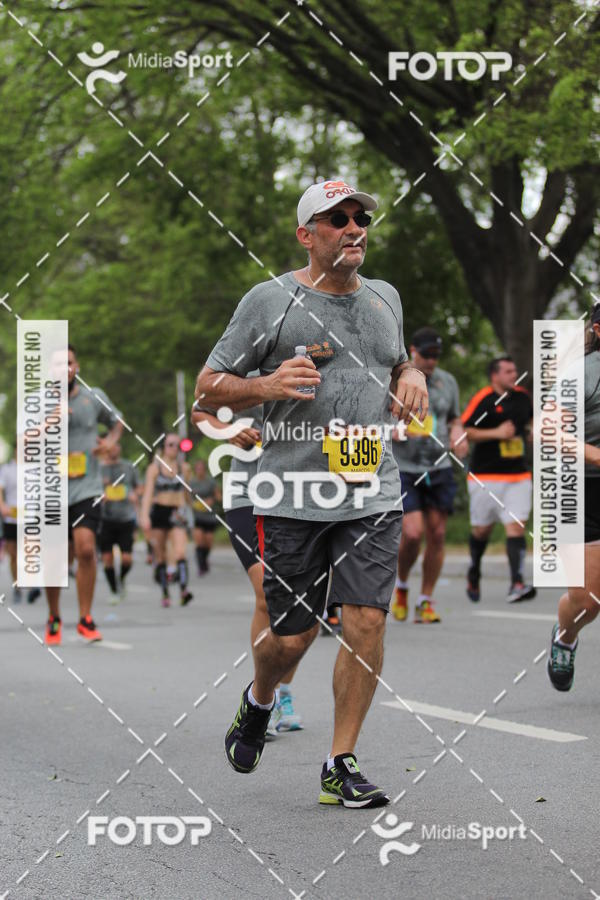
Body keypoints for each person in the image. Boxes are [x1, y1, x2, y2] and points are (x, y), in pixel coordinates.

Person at [195, 179, 428, 808]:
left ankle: (340, 761)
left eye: (360, 218)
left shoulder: (385, 298)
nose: (354, 228)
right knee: (292, 638)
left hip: (371, 491)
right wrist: (266, 386)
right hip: (291, 493)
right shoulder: (269, 301)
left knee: (367, 621)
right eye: (337, 220)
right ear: (307, 234)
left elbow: (397, 359)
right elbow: (209, 387)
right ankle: (259, 700)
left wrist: (411, 377)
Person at [192, 389, 304, 735]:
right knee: (266, 596)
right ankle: (263, 699)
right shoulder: (245, 366)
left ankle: (282, 691)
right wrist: (227, 431)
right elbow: (200, 411)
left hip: (299, 496)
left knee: (293, 605)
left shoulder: (317, 366)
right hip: (246, 495)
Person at [45, 345, 123, 645]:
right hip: (52, 488)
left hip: (87, 486)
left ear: (76, 366)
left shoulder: (94, 397)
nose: (63, 368)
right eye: (57, 364)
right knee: (56, 561)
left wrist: (110, 442)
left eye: (68, 362)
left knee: (86, 548)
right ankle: (54, 616)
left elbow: (118, 422)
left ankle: (85, 618)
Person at [391, 328, 468, 623]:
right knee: (412, 534)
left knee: (437, 533)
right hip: (405, 467)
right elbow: (379, 417)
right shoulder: (397, 379)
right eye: (426, 355)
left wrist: (459, 432)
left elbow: (454, 418)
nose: (432, 361)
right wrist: (394, 429)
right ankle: (402, 586)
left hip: (438, 467)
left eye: (436, 356)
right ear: (413, 351)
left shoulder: (447, 382)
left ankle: (425, 600)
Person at [547, 305, 600, 690]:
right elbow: (548, 431)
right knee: (588, 602)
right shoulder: (581, 372)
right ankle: (565, 637)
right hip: (581, 488)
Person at [461, 356, 536, 604]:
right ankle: (474, 570)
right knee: (482, 530)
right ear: (495, 375)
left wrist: (534, 431)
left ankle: (517, 582)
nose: (514, 374)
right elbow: (465, 431)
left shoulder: (523, 397)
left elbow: (532, 420)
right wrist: (496, 433)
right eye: (508, 371)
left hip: (518, 475)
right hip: (485, 476)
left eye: (515, 370)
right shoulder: (484, 399)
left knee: (516, 526)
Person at [140, 433, 193, 607]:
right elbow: (148, 494)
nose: (174, 449)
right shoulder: (154, 468)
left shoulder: (184, 467)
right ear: (164, 446)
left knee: (180, 552)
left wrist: (190, 513)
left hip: (176, 512)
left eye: (177, 445)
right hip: (159, 512)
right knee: (160, 554)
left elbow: (187, 494)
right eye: (171, 445)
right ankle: (165, 593)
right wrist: (144, 515)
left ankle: (184, 590)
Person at [99, 443, 141, 603]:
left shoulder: (128, 467)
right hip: (105, 519)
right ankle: (114, 590)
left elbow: (140, 488)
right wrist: (100, 497)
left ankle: (121, 578)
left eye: (116, 446)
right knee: (107, 558)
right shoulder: (98, 469)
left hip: (126, 518)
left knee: (126, 559)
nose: (113, 449)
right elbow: (91, 490)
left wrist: (134, 494)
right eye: (110, 447)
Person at [189, 459, 220, 575]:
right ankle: (201, 566)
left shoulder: (211, 482)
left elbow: (218, 496)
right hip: (197, 515)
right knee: (199, 541)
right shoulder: (191, 483)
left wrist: (211, 500)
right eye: (197, 469)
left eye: (201, 469)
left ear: (205, 470)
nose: (199, 471)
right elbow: (187, 497)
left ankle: (205, 559)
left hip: (209, 516)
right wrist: (192, 504)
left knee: (208, 542)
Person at [0, 444, 19, 603]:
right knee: (13, 554)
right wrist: (2, 506)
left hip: (31, 516)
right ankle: (17, 584)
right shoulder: (7, 469)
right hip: (12, 516)